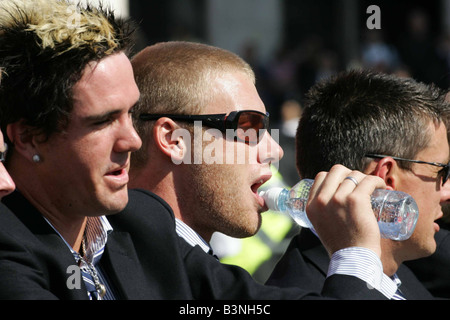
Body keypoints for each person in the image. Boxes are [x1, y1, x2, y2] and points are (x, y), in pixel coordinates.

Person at [128, 41, 404, 299]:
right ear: (174, 140)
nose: (274, 150)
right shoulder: (131, 262)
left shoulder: (188, 268)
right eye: (249, 126)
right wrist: (355, 254)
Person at [0, 0, 197, 300]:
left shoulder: (142, 219)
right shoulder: (7, 244)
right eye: (102, 121)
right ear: (28, 138)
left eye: (131, 112)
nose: (133, 140)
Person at [266, 70, 450, 299]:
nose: (446, 191)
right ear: (385, 177)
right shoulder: (300, 292)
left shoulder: (400, 270)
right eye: (442, 171)